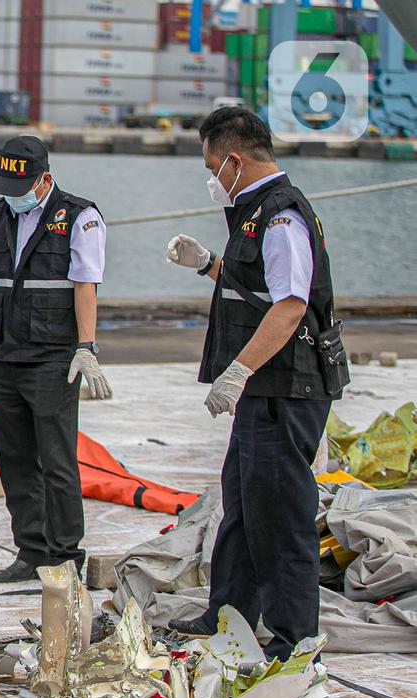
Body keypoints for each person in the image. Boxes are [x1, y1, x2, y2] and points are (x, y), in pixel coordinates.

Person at [164, 107, 344, 660]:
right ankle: (228, 614)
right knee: (242, 505)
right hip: (262, 390)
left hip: (286, 389)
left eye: (212, 168)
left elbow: (290, 306)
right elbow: (257, 285)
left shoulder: (282, 217)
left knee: (281, 514)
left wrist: (238, 369)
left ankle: (294, 639)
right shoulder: (255, 212)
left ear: (235, 161)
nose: (212, 178)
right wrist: (207, 265)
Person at [0, 136, 112, 583]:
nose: (12, 195)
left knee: (56, 461)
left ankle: (64, 556)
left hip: (53, 358)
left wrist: (86, 347)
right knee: (13, 458)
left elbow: (85, 286)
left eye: (20, 186)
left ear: (44, 179)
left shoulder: (79, 216)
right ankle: (30, 552)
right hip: (8, 355)